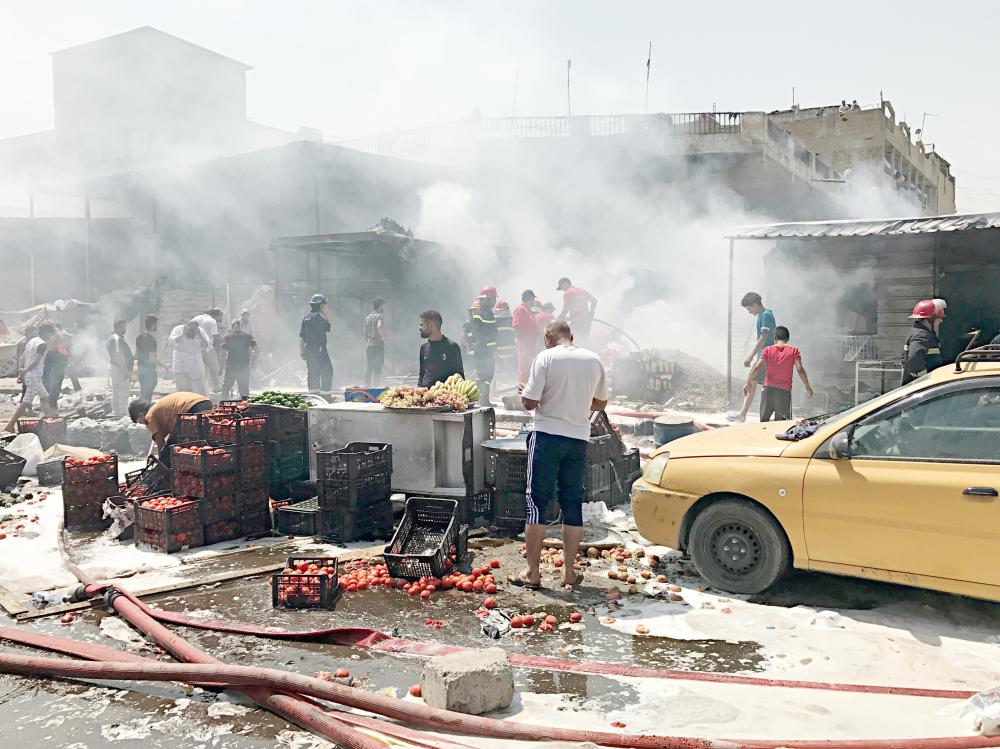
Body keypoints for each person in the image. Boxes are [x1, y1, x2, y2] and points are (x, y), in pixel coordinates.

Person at [513, 320, 608, 591]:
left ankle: (532, 573)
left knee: (537, 503)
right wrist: (577, 401)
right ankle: (568, 572)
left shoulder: (546, 357)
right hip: (578, 439)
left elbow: (530, 403)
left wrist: (529, 395)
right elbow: (601, 402)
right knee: (572, 503)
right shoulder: (593, 359)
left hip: (547, 437)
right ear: (571, 335)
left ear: (548, 335)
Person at [746, 326, 814, 422]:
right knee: (781, 425)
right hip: (783, 392)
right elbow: (800, 369)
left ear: (774, 338)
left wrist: (748, 382)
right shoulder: (794, 351)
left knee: (763, 423)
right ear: (787, 339)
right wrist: (807, 386)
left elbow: (757, 367)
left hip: (768, 390)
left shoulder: (767, 350)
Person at [129, 392, 212, 465]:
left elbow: (160, 443)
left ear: (140, 415)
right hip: (205, 402)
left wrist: (161, 462)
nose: (144, 424)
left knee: (171, 448)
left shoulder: (149, 416)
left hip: (191, 407)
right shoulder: (158, 407)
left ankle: (165, 475)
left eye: (140, 422)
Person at [4, 323, 56, 432]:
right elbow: (36, 361)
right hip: (34, 377)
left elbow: (22, 358)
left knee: (44, 396)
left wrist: (21, 372)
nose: (52, 336)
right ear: (46, 333)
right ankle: (10, 424)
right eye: (51, 334)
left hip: (32, 376)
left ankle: (48, 417)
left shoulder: (31, 341)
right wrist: (25, 370)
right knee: (26, 402)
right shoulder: (42, 344)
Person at [734, 292, 776, 422]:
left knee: (753, 383)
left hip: (766, 357)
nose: (749, 312)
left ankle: (744, 414)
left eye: (749, 308)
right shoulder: (761, 316)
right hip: (763, 356)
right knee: (753, 384)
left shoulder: (766, 316)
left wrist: (750, 357)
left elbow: (763, 338)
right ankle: (743, 413)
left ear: (755, 305)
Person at [901, 299, 945, 386]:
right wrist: (925, 379)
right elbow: (914, 360)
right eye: (938, 317)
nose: (941, 321)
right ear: (929, 319)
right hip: (921, 388)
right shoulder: (921, 336)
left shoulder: (918, 332)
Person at [417, 310, 464, 387]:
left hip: (444, 396)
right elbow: (422, 373)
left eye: (422, 325)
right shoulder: (423, 348)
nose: (419, 328)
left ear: (431, 325)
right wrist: (418, 390)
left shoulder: (452, 347)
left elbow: (460, 376)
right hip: (426, 395)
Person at [300, 293, 333, 394]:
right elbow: (329, 327)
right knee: (327, 372)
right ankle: (325, 396)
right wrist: (327, 314)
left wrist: (302, 352)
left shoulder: (306, 318)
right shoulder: (319, 319)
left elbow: (302, 337)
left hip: (309, 350)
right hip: (319, 350)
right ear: (321, 306)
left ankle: (314, 397)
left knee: (313, 374)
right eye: (325, 305)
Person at [471, 286, 498, 405]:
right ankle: (483, 401)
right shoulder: (482, 314)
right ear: (486, 299)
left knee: (485, 375)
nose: (494, 301)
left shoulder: (486, 313)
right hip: (484, 351)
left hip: (485, 351)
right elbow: (483, 335)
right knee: (485, 375)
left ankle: (483, 400)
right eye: (493, 299)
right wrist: (489, 350)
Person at [169, 320, 210, 395]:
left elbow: (206, 344)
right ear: (186, 327)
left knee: (198, 386)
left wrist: (200, 336)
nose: (193, 332)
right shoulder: (178, 329)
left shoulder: (200, 331)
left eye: (195, 330)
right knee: (182, 386)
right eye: (191, 330)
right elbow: (173, 340)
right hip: (181, 361)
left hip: (195, 362)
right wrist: (183, 334)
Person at [221, 320, 258, 400]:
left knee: (226, 387)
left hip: (231, 366)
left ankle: (222, 405)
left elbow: (223, 354)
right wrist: (253, 362)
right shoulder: (247, 336)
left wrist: (221, 367)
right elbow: (257, 350)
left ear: (231, 326)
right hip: (244, 366)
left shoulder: (227, 337)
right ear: (241, 326)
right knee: (244, 389)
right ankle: (245, 407)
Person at [556, 277, 597, 346]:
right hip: (587, 321)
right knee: (585, 342)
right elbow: (594, 300)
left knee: (569, 340)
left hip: (577, 322)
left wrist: (561, 317)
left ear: (565, 283)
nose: (563, 290)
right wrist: (591, 313)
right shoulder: (581, 290)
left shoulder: (568, 293)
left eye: (562, 287)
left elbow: (566, 308)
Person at [192, 308, 224, 393]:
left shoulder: (196, 318)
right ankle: (216, 386)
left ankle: (199, 388)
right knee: (214, 367)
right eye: (221, 316)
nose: (222, 318)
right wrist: (227, 339)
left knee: (199, 369)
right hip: (207, 348)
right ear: (217, 315)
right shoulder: (212, 321)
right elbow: (216, 335)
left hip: (195, 349)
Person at [107, 319, 134, 417]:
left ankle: (118, 414)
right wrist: (125, 371)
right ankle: (122, 414)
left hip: (117, 368)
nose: (125, 329)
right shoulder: (116, 339)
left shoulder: (116, 338)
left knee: (117, 391)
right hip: (119, 369)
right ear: (118, 327)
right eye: (123, 326)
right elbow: (118, 356)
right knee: (123, 391)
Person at [512, 289, 540, 384]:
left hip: (530, 346)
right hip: (524, 346)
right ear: (529, 298)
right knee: (524, 370)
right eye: (533, 299)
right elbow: (517, 327)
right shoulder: (520, 310)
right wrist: (523, 345)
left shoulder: (528, 310)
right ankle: (522, 394)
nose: (534, 301)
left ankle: (529, 392)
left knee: (530, 369)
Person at [42, 323, 69, 414]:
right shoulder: (54, 338)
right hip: (55, 368)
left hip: (57, 368)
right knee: (53, 387)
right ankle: (51, 408)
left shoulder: (54, 338)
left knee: (54, 387)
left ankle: (52, 407)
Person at [135, 314, 159, 402]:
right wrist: (164, 366)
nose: (157, 326)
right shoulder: (152, 340)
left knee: (143, 394)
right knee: (147, 397)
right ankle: (145, 414)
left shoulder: (139, 337)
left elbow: (136, 355)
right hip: (149, 371)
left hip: (141, 370)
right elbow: (152, 359)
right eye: (156, 324)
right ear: (153, 325)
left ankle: (142, 413)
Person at [363, 297, 386, 387]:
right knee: (378, 368)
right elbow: (379, 326)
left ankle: (367, 388)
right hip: (378, 346)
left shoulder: (368, 317)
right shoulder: (379, 316)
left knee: (369, 367)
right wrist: (383, 339)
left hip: (369, 346)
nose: (385, 308)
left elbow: (364, 331)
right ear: (380, 306)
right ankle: (376, 388)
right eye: (384, 306)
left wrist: (368, 341)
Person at [493, 300, 516, 391]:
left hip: (498, 350)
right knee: (512, 370)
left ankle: (494, 390)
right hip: (511, 350)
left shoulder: (493, 321)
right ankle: (514, 388)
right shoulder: (512, 319)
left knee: (497, 370)